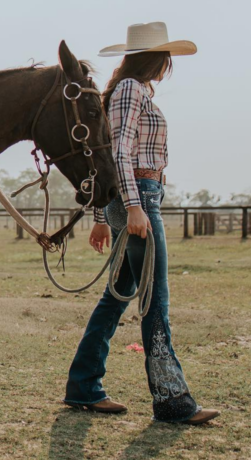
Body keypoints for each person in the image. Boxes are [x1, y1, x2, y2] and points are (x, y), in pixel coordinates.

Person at [63, 22, 219, 424]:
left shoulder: (132, 90)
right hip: (141, 199)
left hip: (136, 199)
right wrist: (132, 208)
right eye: (168, 58)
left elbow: (110, 160)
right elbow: (117, 154)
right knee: (155, 299)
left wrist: (105, 215)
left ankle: (83, 385)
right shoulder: (131, 90)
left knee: (118, 296)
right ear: (160, 59)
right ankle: (171, 400)